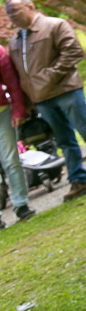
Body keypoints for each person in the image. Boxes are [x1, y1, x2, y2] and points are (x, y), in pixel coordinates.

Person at [4, 0, 86, 199]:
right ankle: (77, 180)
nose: (11, 17)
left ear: (30, 7)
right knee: (64, 141)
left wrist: (49, 76)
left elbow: (73, 52)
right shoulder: (15, 41)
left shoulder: (54, 25)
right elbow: (19, 74)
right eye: (8, 14)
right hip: (42, 100)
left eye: (15, 11)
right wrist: (28, 101)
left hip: (66, 91)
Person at [0, 44, 35, 222]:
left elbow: (12, 83)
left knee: (11, 160)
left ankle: (21, 204)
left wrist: (18, 110)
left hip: (2, 114)